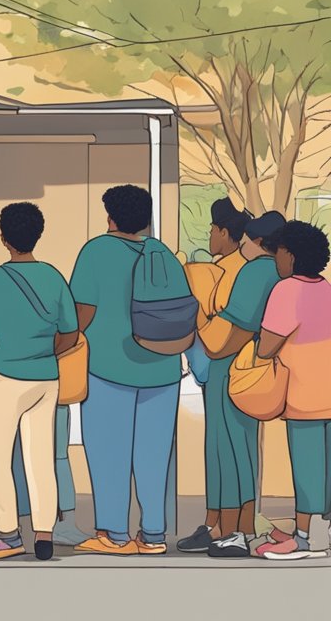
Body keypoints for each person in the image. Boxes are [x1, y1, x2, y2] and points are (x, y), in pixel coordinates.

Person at [71, 185, 181, 556]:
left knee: (108, 452)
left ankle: (115, 534)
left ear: (111, 217)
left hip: (109, 368)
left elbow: (81, 312)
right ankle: (153, 534)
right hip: (163, 369)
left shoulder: (96, 251)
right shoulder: (162, 252)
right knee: (154, 453)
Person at [0, 203, 78, 561]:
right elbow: (70, 333)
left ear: (3, 238)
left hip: (5, 378)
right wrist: (43, 351)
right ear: (38, 235)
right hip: (46, 378)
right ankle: (44, 533)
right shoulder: (53, 277)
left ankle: (8, 534)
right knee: (40, 455)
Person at [178, 201, 263, 557]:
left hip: (230, 367)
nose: (210, 235)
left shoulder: (233, 273)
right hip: (220, 370)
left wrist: (196, 308)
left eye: (213, 229)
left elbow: (219, 329)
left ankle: (234, 529)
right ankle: (215, 523)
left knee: (230, 448)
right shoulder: (228, 268)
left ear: (225, 233)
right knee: (218, 446)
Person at [254, 221, 331, 561]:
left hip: (303, 394)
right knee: (327, 467)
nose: (275, 258)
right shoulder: (326, 288)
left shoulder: (287, 291)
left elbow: (266, 347)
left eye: (279, 252)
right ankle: (323, 531)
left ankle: (306, 539)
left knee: (308, 468)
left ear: (291, 255)